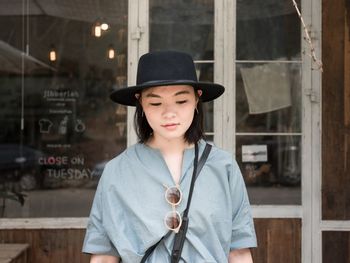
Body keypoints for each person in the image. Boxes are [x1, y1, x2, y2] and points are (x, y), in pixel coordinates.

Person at [82, 50, 257, 263]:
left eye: (181, 101)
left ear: (196, 99)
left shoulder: (224, 167)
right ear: (141, 103)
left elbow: (238, 251)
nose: (169, 113)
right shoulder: (117, 172)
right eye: (156, 103)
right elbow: (104, 255)